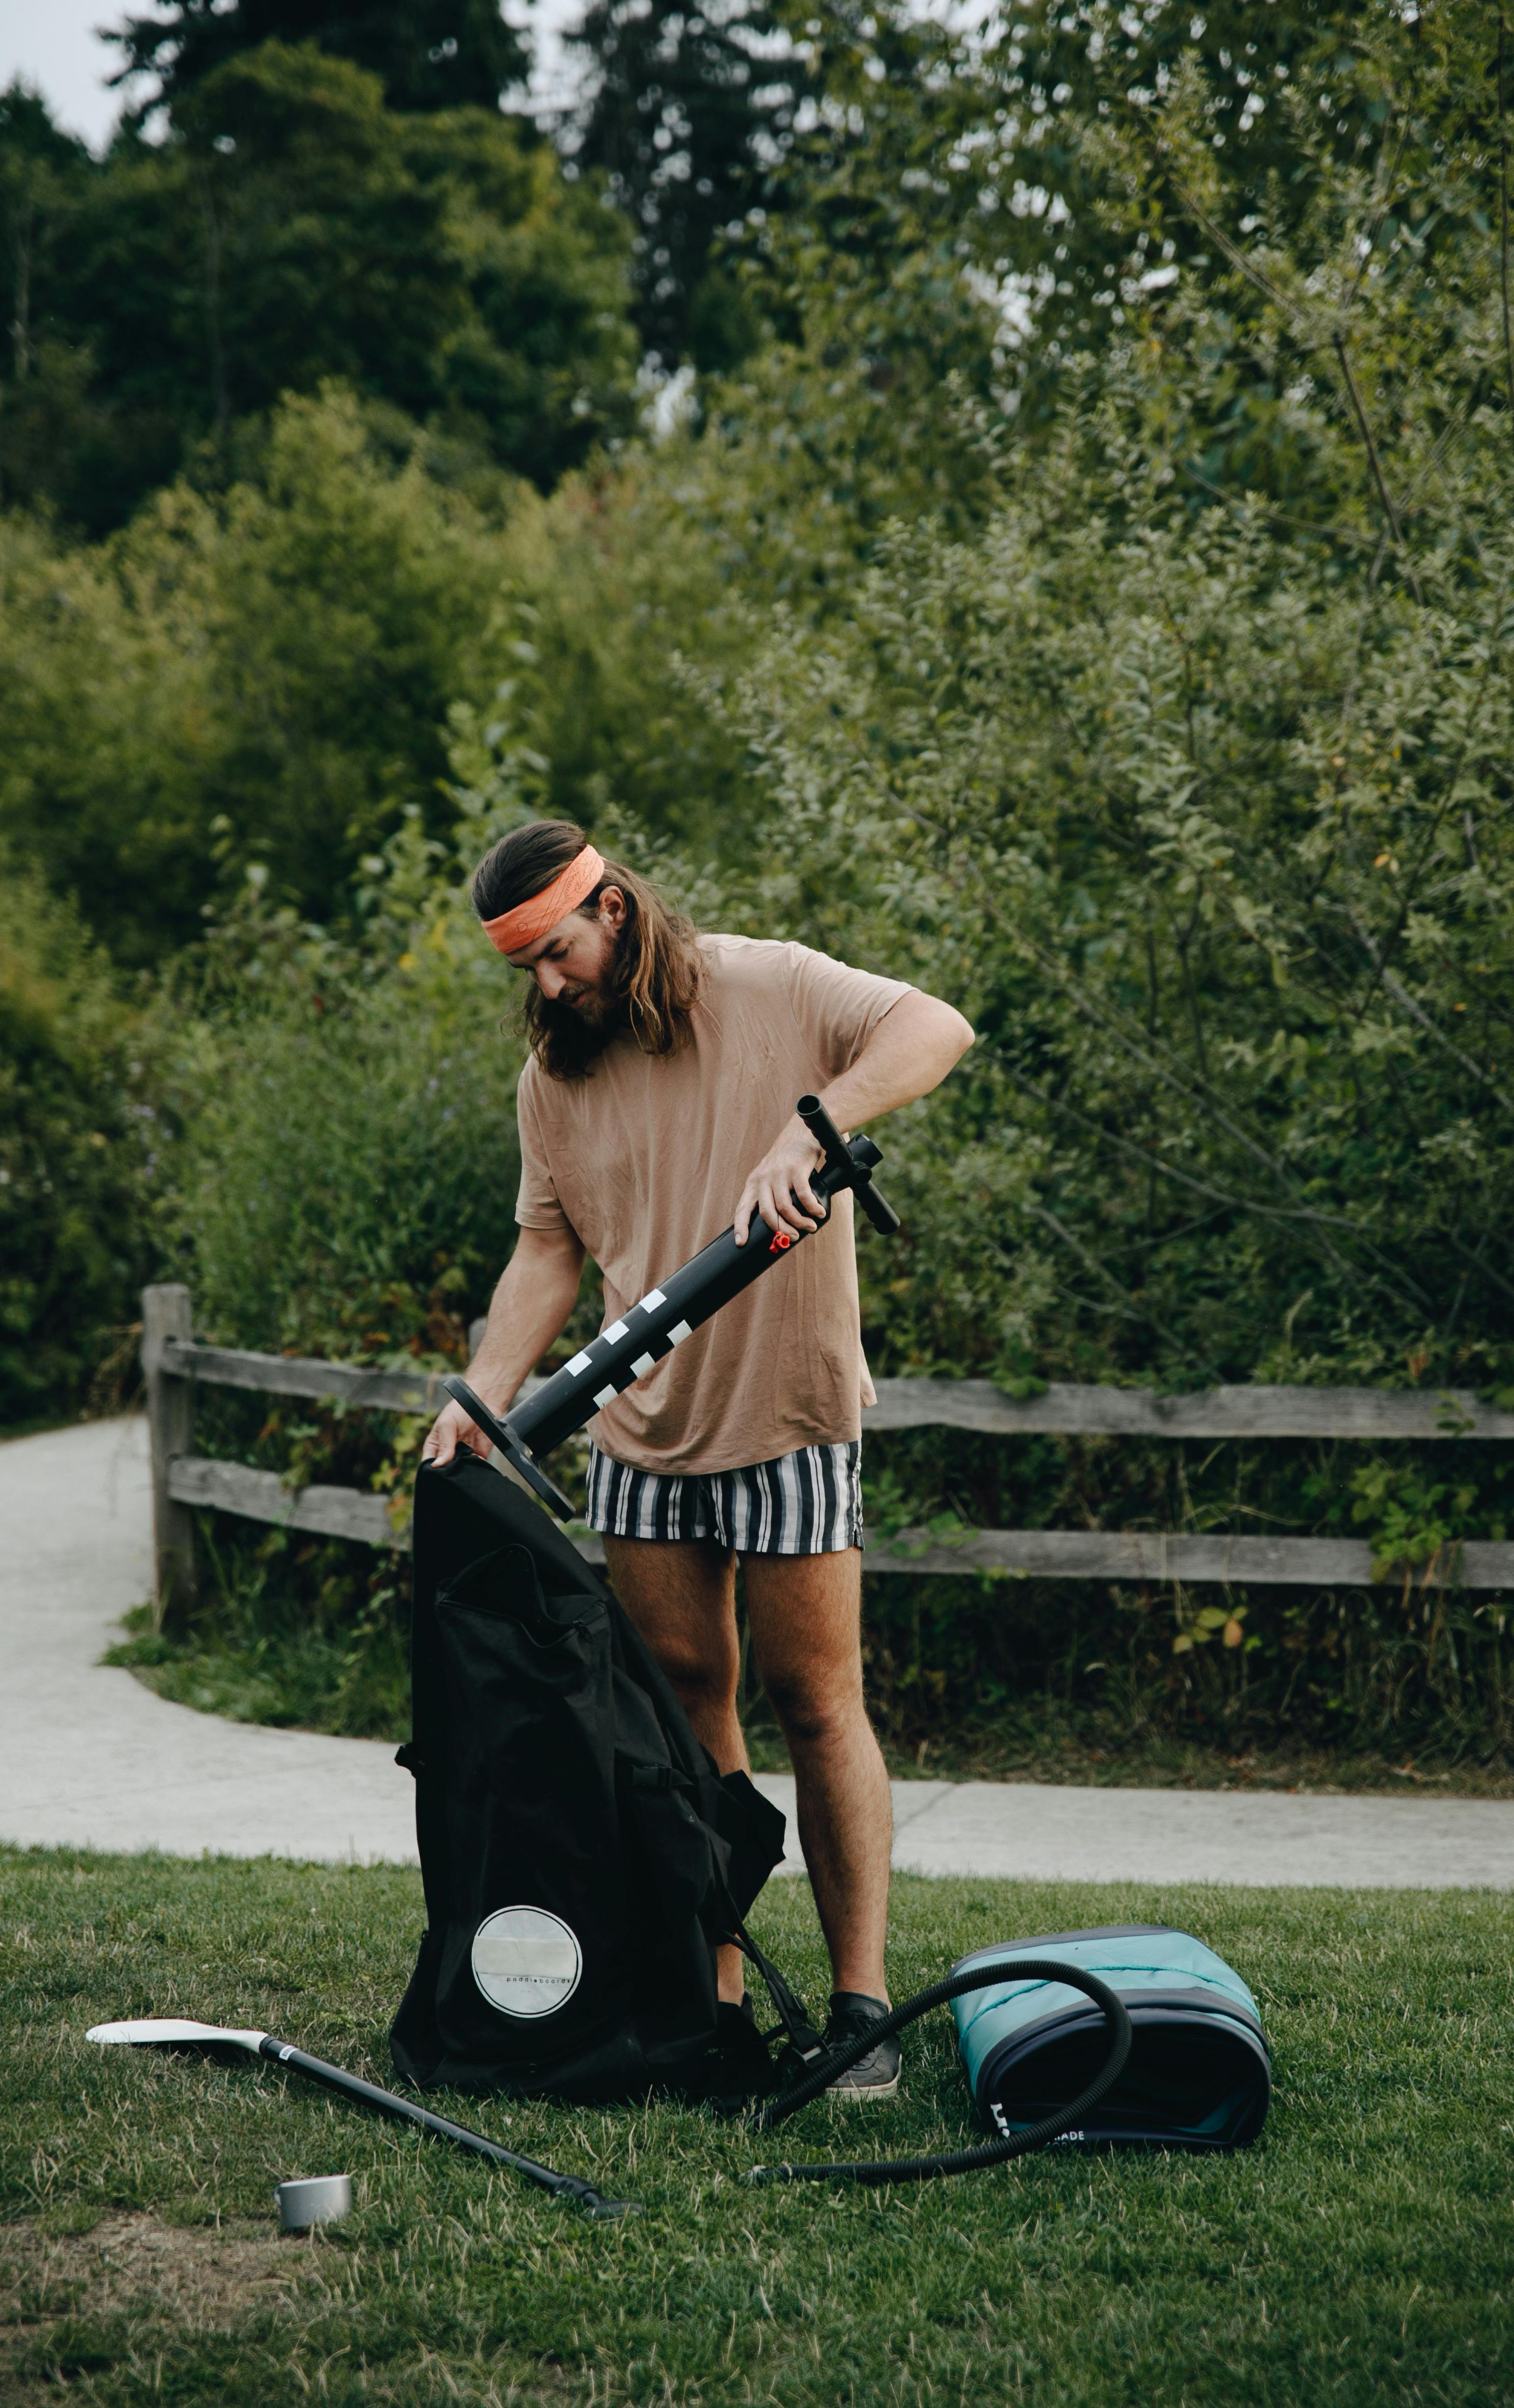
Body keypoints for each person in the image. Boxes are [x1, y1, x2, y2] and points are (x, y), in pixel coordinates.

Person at [421, 822, 974, 2095]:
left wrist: (812, 1129)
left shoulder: (768, 984)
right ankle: (706, 1999)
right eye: (528, 971)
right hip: (640, 1437)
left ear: (614, 908)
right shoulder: (554, 1077)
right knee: (680, 1713)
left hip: (786, 1409)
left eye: (557, 953)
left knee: (817, 1702)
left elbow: (935, 1027)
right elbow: (547, 1250)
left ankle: (858, 2014)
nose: (549, 987)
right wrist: (485, 1398)